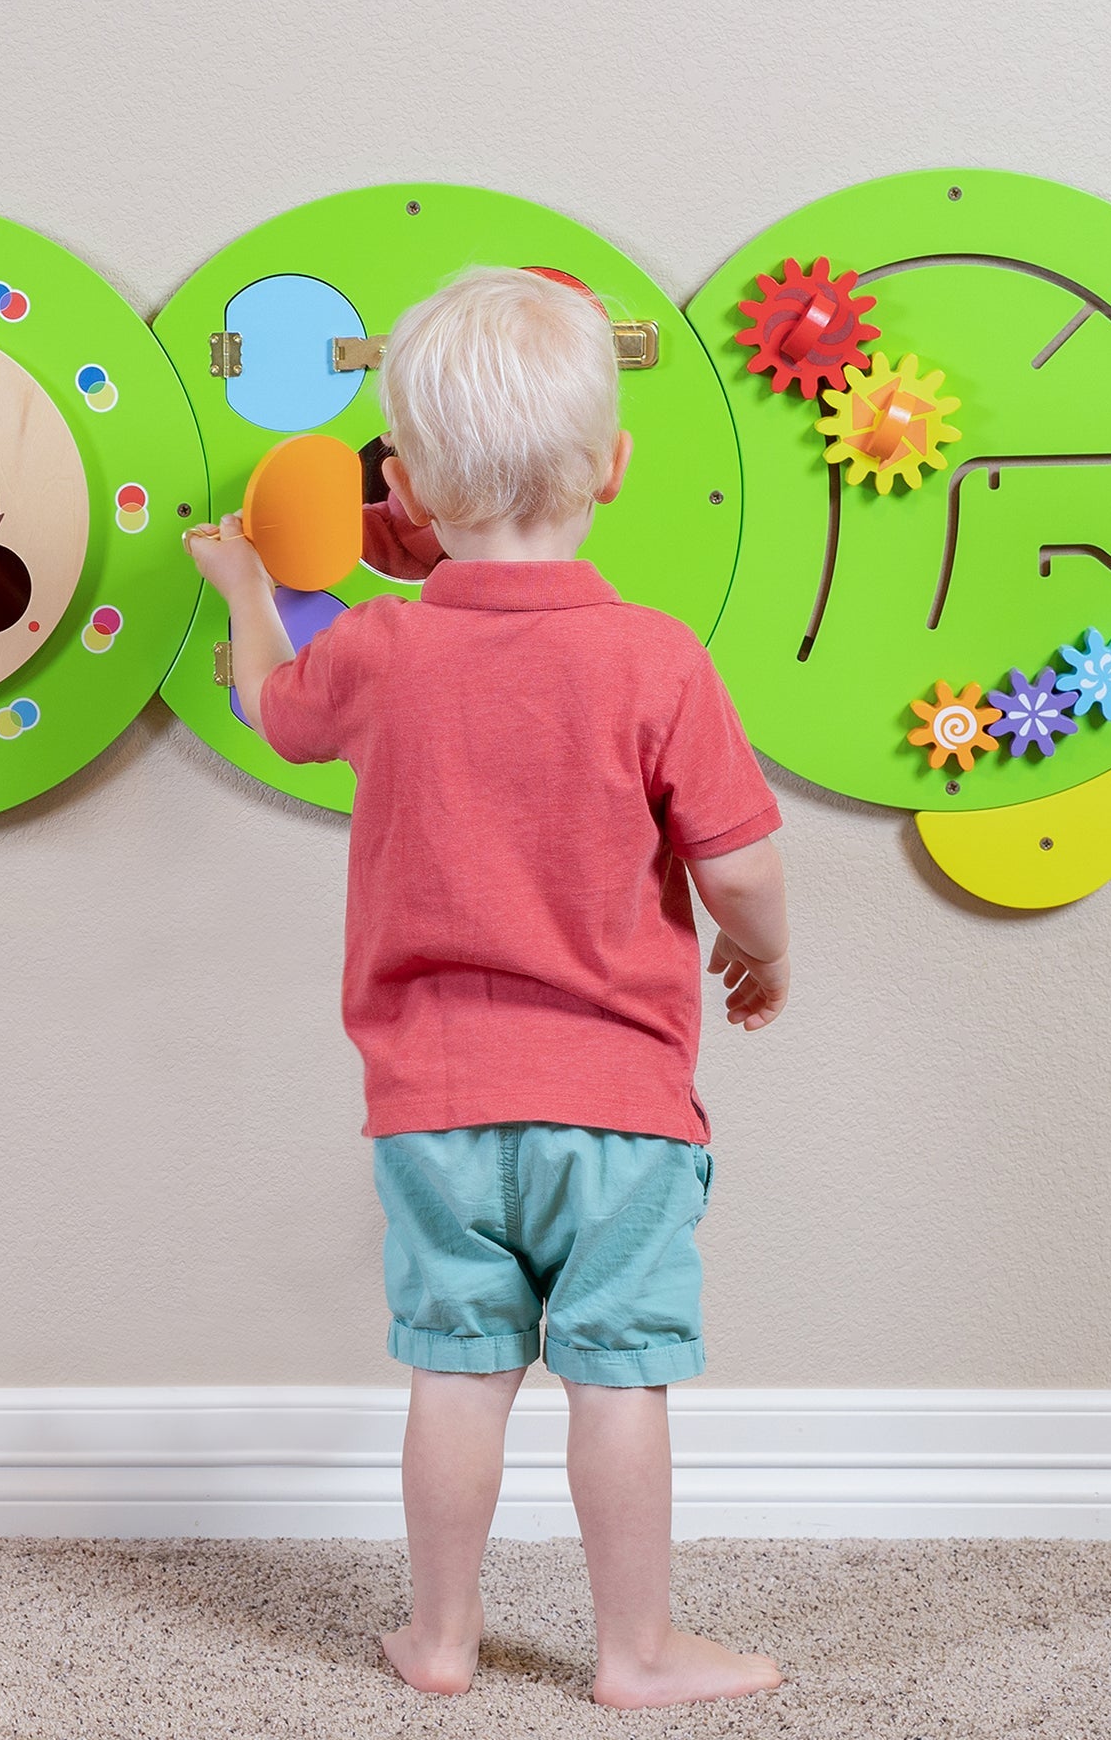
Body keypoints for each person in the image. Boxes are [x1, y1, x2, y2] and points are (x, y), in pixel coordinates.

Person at [184, 266, 789, 1708]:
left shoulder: (380, 647)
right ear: (614, 466)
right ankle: (637, 1650)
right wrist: (765, 951)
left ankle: (442, 1637)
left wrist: (249, 588)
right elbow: (744, 865)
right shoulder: (656, 659)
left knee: (456, 1372)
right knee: (618, 1376)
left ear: (403, 486)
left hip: (433, 1107)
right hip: (623, 1110)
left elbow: (268, 708)